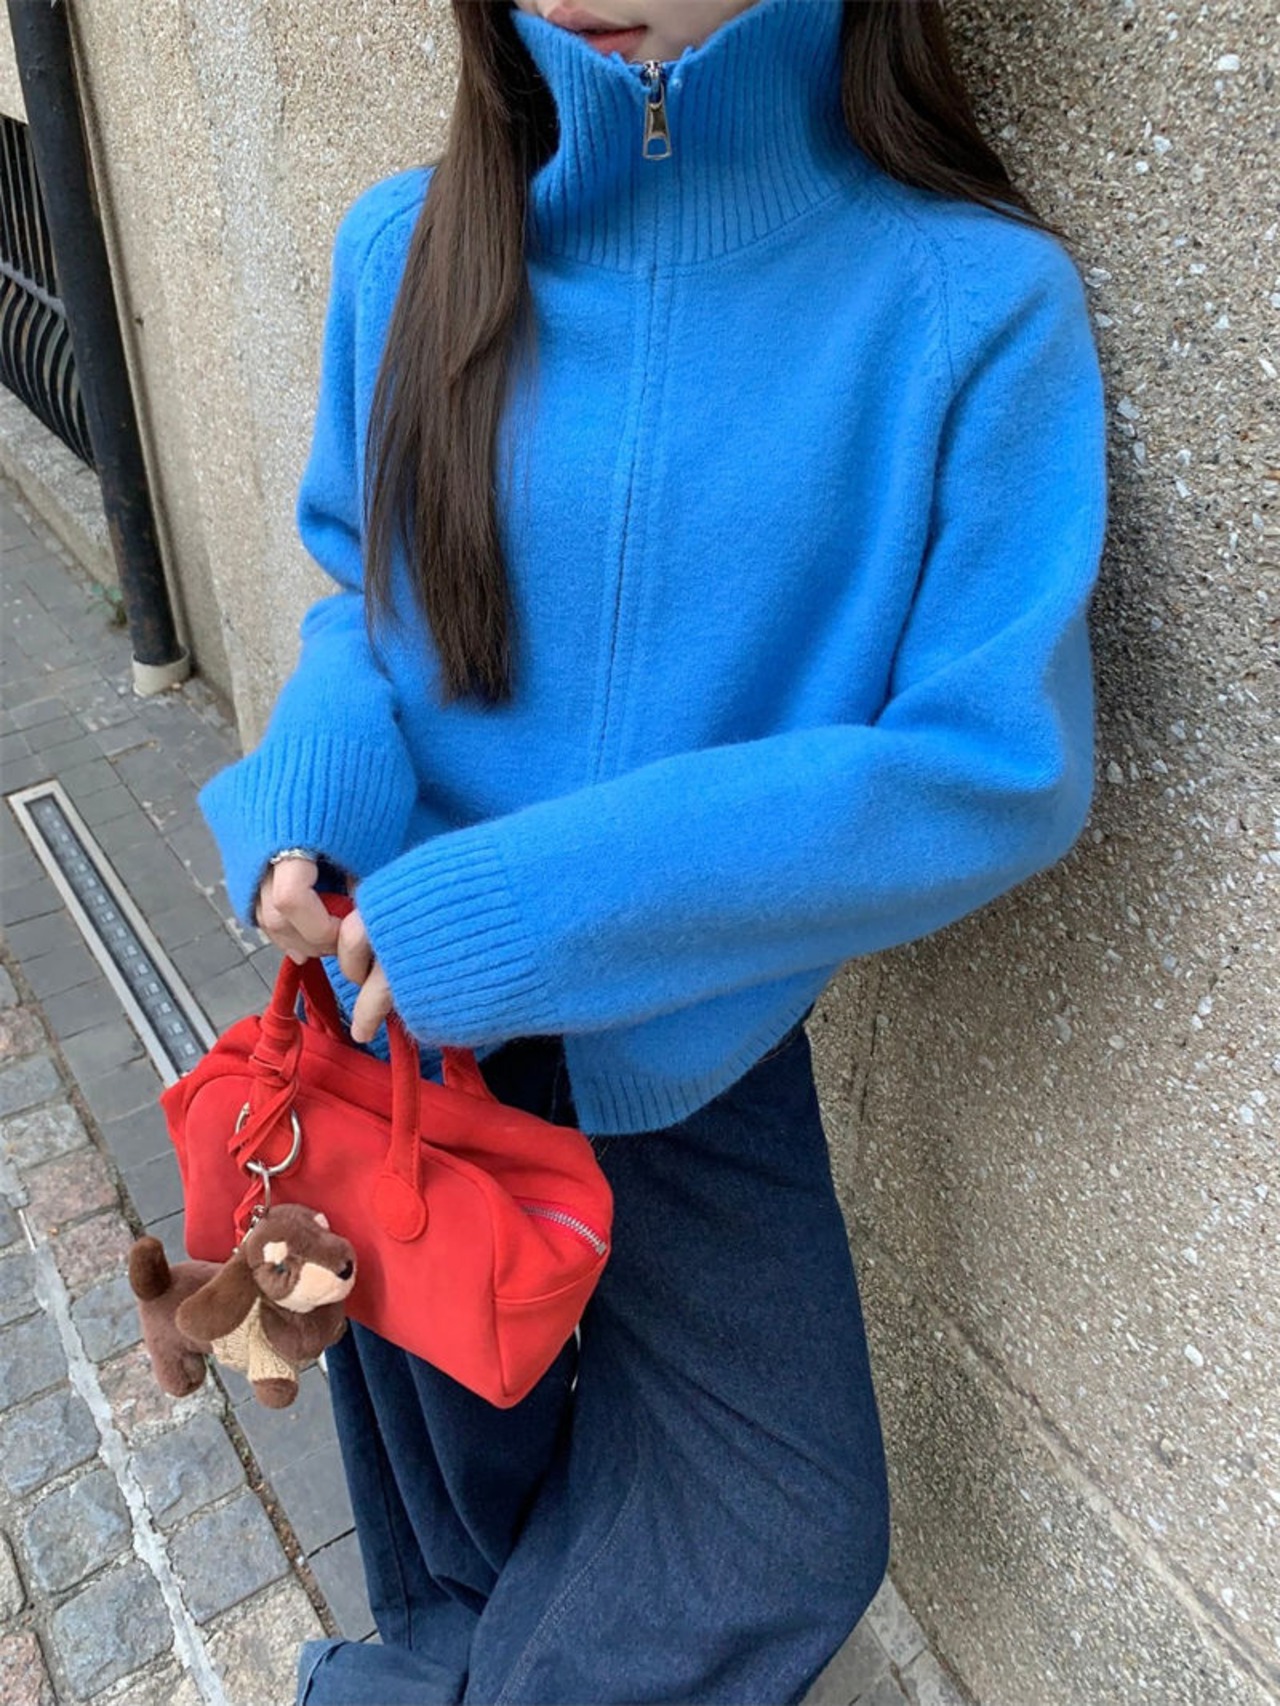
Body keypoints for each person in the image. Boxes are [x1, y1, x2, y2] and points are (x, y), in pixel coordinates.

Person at [198, 0, 1108, 1699]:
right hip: (402, 1046)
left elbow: (998, 765)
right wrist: (304, 803)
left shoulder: (969, 305)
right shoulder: (407, 245)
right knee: (466, 1543)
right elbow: (363, 606)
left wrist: (533, 906)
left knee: (785, 1527)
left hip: (697, 1048)